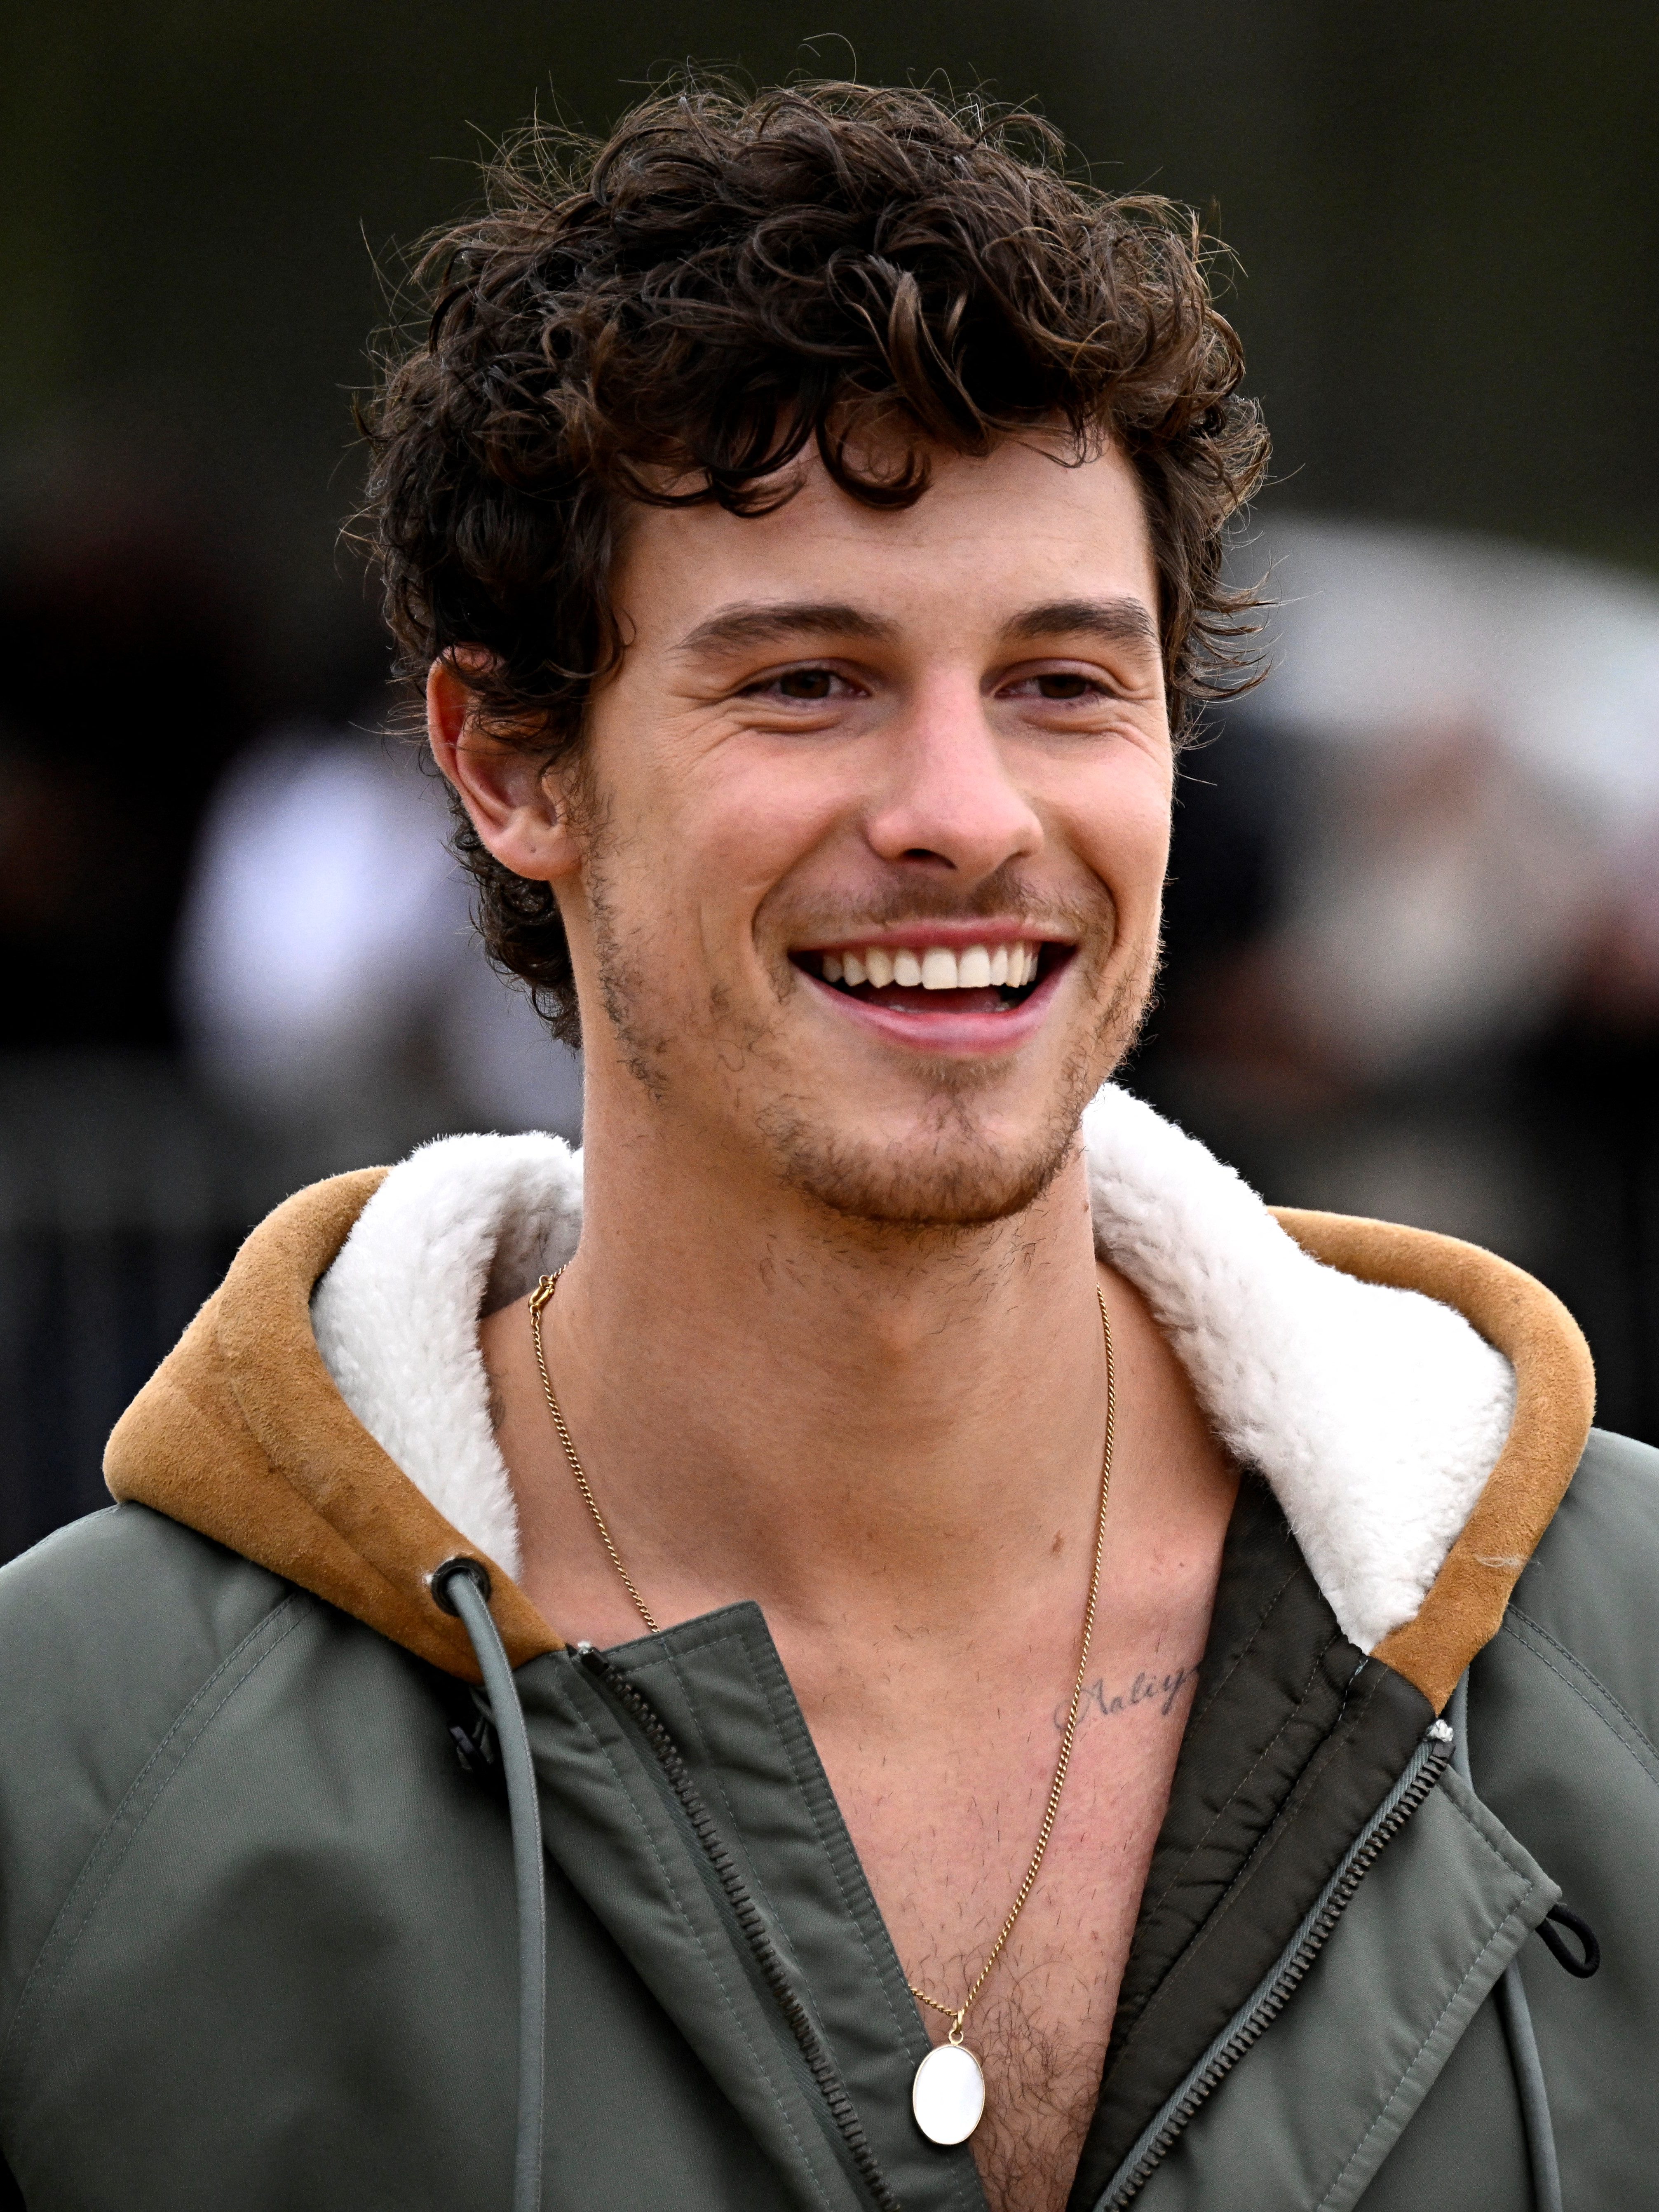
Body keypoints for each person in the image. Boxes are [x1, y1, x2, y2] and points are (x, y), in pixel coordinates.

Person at [0, 79, 1650, 2212]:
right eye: (809, 683)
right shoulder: (77, 1779)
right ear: (511, 762)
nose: (966, 808)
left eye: (1065, 681)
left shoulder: (1624, 1658)